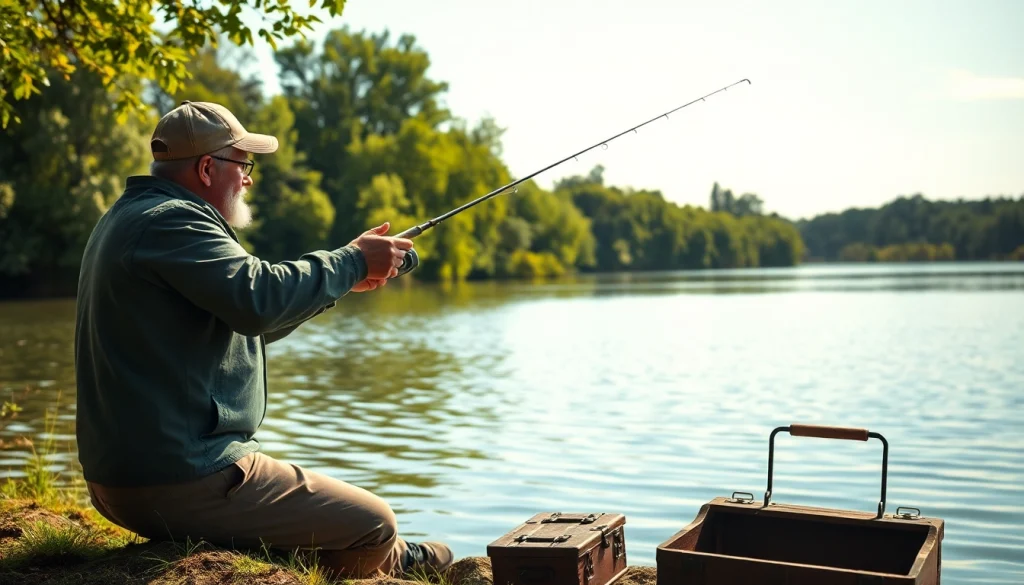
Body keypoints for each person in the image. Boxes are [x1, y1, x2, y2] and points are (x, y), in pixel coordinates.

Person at [74, 100, 453, 578]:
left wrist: (341, 283)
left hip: (134, 474)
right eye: (243, 164)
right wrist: (351, 260)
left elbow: (245, 319)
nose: (249, 178)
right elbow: (259, 297)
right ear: (208, 168)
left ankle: (395, 555)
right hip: (178, 477)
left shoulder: (133, 217)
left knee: (362, 526)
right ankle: (387, 556)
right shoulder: (171, 221)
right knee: (376, 521)